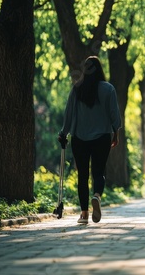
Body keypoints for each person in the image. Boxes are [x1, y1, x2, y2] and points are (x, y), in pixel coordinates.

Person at [58, 56, 122, 224]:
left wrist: (64, 132)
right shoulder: (108, 89)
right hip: (102, 137)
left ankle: (84, 214)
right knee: (98, 172)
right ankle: (97, 196)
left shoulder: (77, 89)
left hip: (79, 138)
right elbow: (114, 115)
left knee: (83, 175)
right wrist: (116, 133)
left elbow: (69, 113)